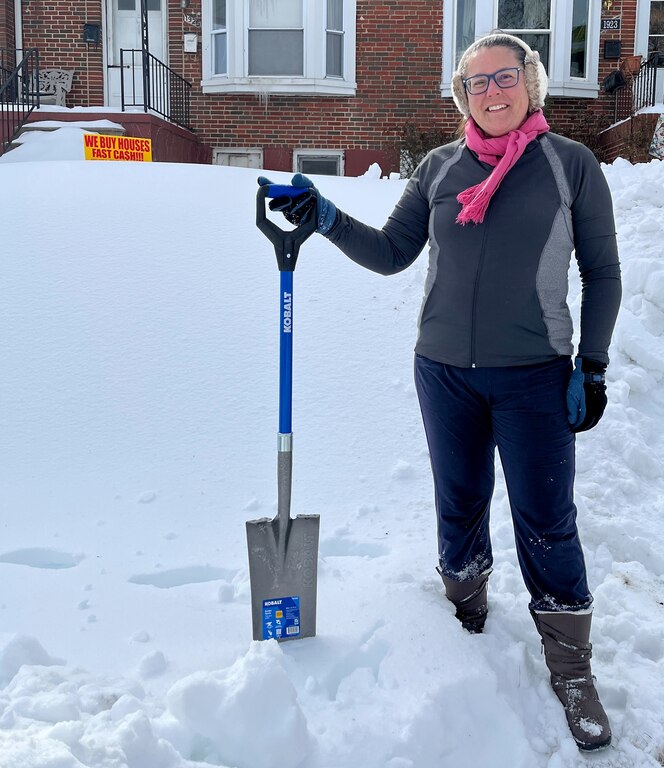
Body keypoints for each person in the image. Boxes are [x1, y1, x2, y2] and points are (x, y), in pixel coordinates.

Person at [258, 31, 621, 752]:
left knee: (547, 519)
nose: (493, 92)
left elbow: (603, 272)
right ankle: (465, 615)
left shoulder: (568, 165)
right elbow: (393, 254)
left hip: (535, 376)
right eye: (477, 82)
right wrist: (327, 219)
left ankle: (572, 669)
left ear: (531, 84)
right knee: (458, 504)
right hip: (444, 372)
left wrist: (593, 364)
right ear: (462, 95)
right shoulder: (440, 168)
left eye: (505, 76)